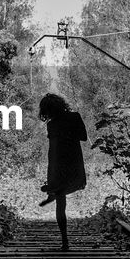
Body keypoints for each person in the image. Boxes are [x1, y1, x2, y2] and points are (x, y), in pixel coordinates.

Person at [37, 93, 87, 250]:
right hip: (73, 163)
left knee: (60, 201)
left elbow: (53, 151)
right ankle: (53, 192)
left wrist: (51, 175)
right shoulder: (74, 117)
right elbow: (83, 137)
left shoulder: (52, 124)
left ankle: (65, 241)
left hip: (58, 165)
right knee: (61, 196)